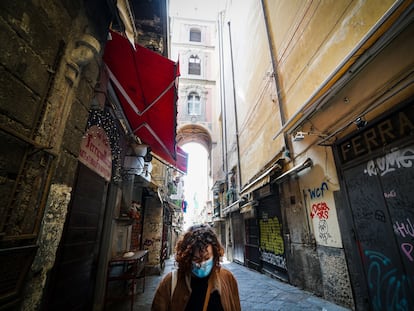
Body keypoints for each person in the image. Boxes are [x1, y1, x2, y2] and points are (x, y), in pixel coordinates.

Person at [151, 224, 241, 311]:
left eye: (207, 258)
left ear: (215, 255)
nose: (202, 263)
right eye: (196, 259)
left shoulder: (227, 278)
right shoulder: (170, 283)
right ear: (187, 258)